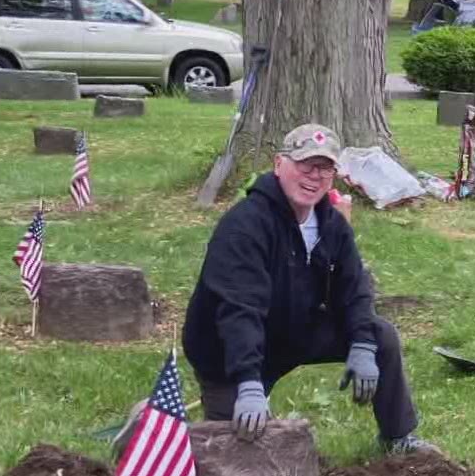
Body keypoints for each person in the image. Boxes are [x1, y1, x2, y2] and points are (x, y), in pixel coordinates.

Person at [179, 123, 437, 455]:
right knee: (239, 454)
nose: (314, 176)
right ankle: (151, 429)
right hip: (227, 349)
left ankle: (398, 437)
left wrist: (361, 344)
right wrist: (249, 383)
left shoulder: (331, 225)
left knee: (380, 335)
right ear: (278, 164)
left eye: (325, 168)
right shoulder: (244, 226)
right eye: (305, 165)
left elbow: (354, 287)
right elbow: (239, 309)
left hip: (295, 330)